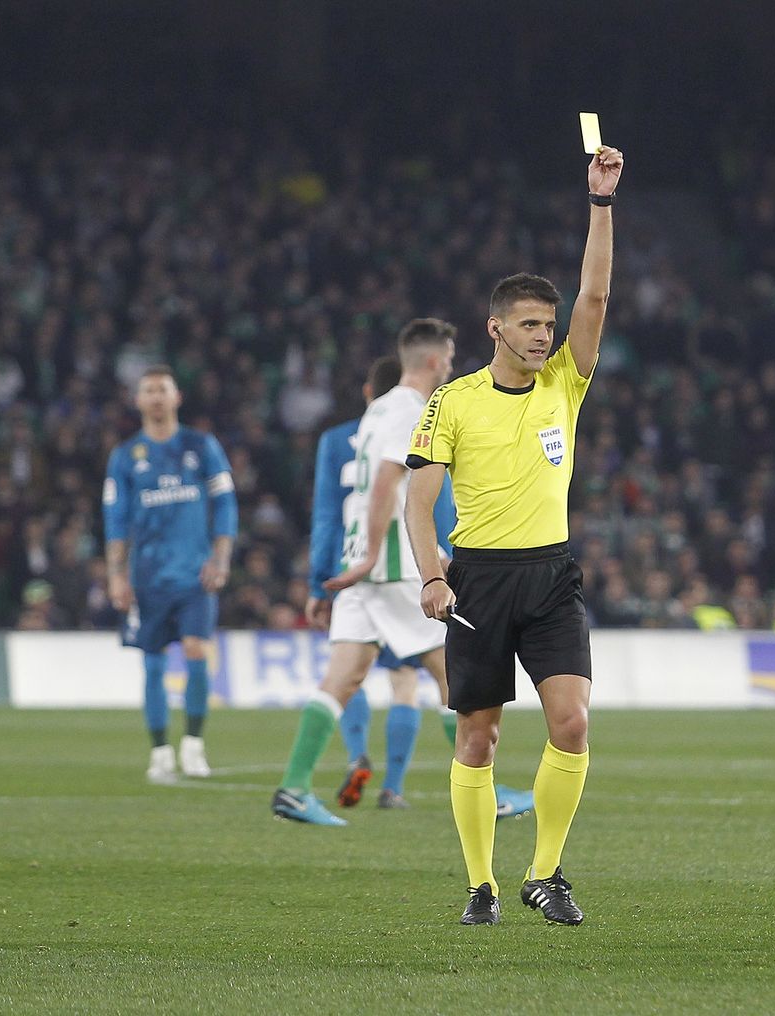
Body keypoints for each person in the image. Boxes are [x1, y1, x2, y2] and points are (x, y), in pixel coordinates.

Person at [406, 145, 623, 927]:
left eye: (549, 325)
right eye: (530, 325)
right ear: (495, 328)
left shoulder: (566, 380)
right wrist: (432, 575)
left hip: (551, 574)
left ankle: (545, 872)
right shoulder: (452, 403)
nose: (544, 336)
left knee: (573, 722)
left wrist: (600, 204)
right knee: (479, 737)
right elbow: (419, 494)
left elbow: (596, 293)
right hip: (479, 580)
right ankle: (480, 886)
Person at [306, 356, 533, 816]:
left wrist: (318, 580)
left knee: (350, 675)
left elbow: (328, 512)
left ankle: (338, 766)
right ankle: (415, 787)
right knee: (428, 679)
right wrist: (445, 561)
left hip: (349, 568)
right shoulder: (420, 425)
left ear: (370, 391)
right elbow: (430, 502)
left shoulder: (338, 439)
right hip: (403, 566)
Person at [270, 319, 458, 826]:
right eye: (452, 358)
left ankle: (292, 788)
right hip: (392, 565)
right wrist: (377, 552)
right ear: (436, 361)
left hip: (360, 565)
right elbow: (384, 482)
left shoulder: (376, 409)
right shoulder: (410, 410)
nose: (453, 367)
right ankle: (487, 793)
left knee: (343, 676)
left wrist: (358, 558)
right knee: (454, 674)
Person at [103, 366, 237, 784]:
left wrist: (221, 557)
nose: (156, 397)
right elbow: (116, 521)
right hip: (147, 578)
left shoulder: (202, 446)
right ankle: (160, 750)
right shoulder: (125, 457)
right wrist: (116, 576)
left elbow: (226, 504)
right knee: (153, 665)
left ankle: (193, 745)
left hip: (195, 575)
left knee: (197, 650)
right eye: (149, 391)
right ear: (138, 401)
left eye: (163, 389)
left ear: (177, 397)